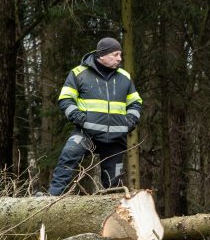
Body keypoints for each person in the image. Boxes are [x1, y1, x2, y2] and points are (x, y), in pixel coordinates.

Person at [49, 37, 142, 196]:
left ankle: (114, 212)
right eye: (115, 54)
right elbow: (65, 99)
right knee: (68, 157)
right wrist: (79, 118)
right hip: (86, 133)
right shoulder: (78, 73)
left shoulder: (124, 77)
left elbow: (135, 103)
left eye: (120, 54)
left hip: (116, 137)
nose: (119, 58)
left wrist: (129, 122)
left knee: (114, 184)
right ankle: (51, 198)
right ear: (102, 55)